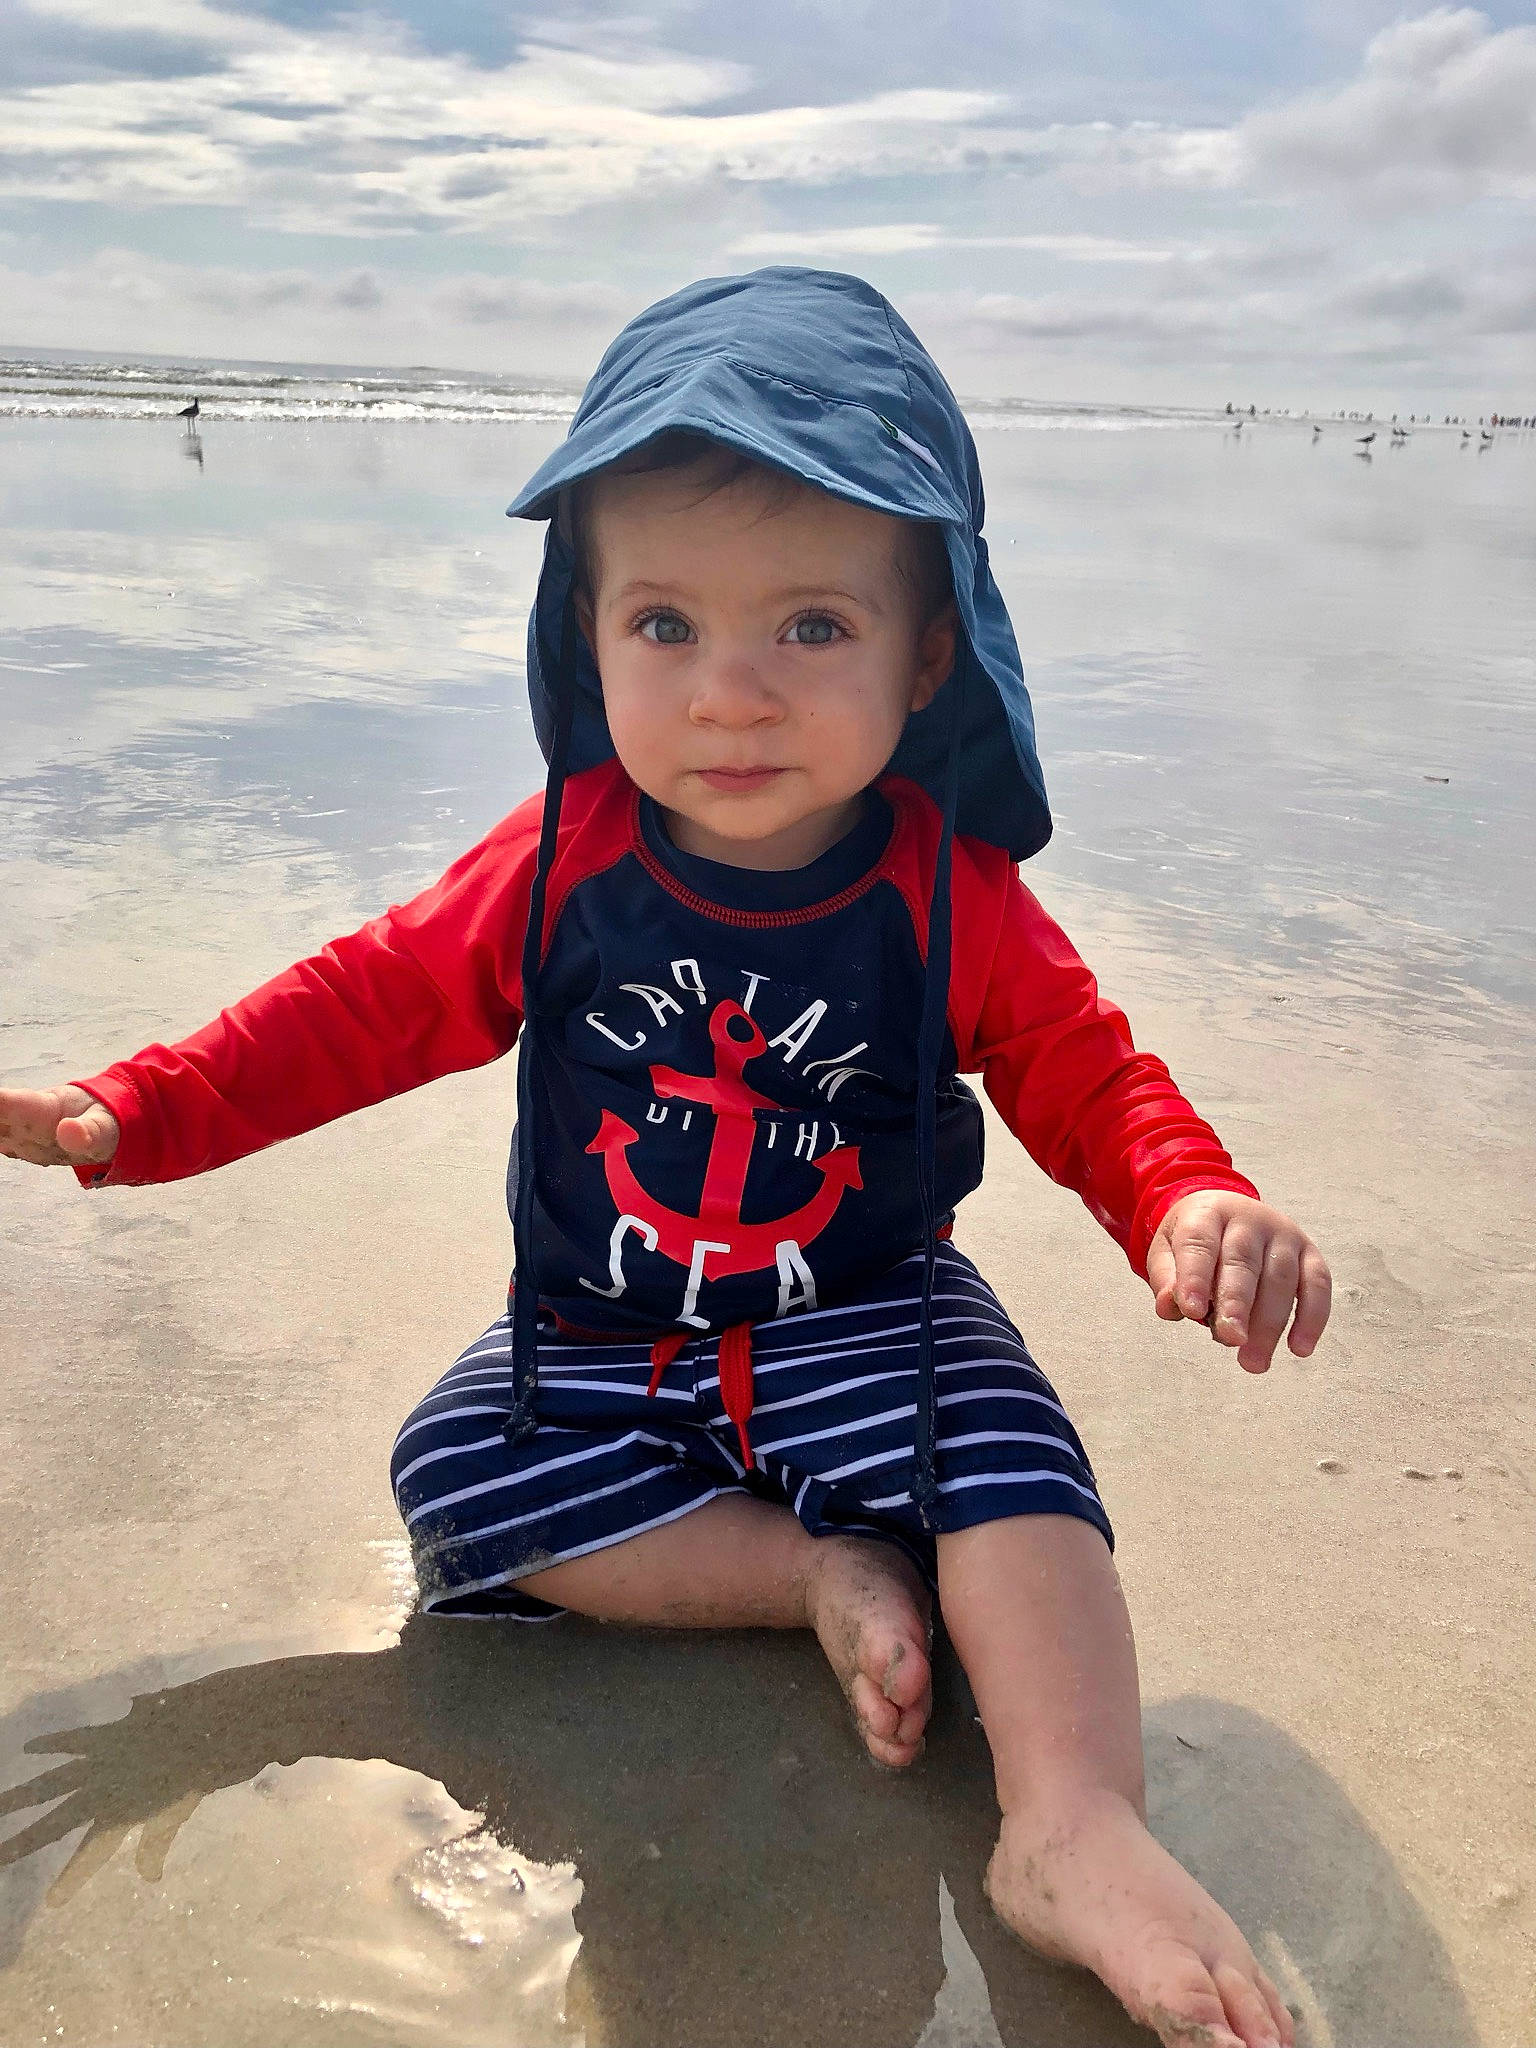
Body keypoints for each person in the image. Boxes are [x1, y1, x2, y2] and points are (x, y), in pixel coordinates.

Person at [0, 269, 1328, 2048]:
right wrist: (143, 1108)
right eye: (666, 625)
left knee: (1015, 1471)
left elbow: (1087, 1072)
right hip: (607, 1336)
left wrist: (1187, 1195)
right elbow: (361, 1005)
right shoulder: (561, 863)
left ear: (930, 651)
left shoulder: (945, 892)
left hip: (867, 1314)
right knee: (455, 1474)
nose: (731, 696)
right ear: (587, 631)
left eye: (812, 627)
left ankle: (1071, 1820)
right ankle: (805, 1571)